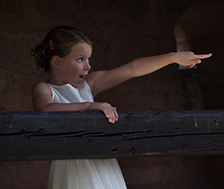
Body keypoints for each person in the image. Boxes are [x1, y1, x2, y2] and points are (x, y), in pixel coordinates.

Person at [31, 26, 212, 189]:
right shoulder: (45, 89)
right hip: (73, 167)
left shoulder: (90, 85)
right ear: (57, 63)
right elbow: (45, 110)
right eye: (80, 59)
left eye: (88, 59)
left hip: (104, 165)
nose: (88, 66)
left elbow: (132, 69)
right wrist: (90, 106)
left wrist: (173, 57)